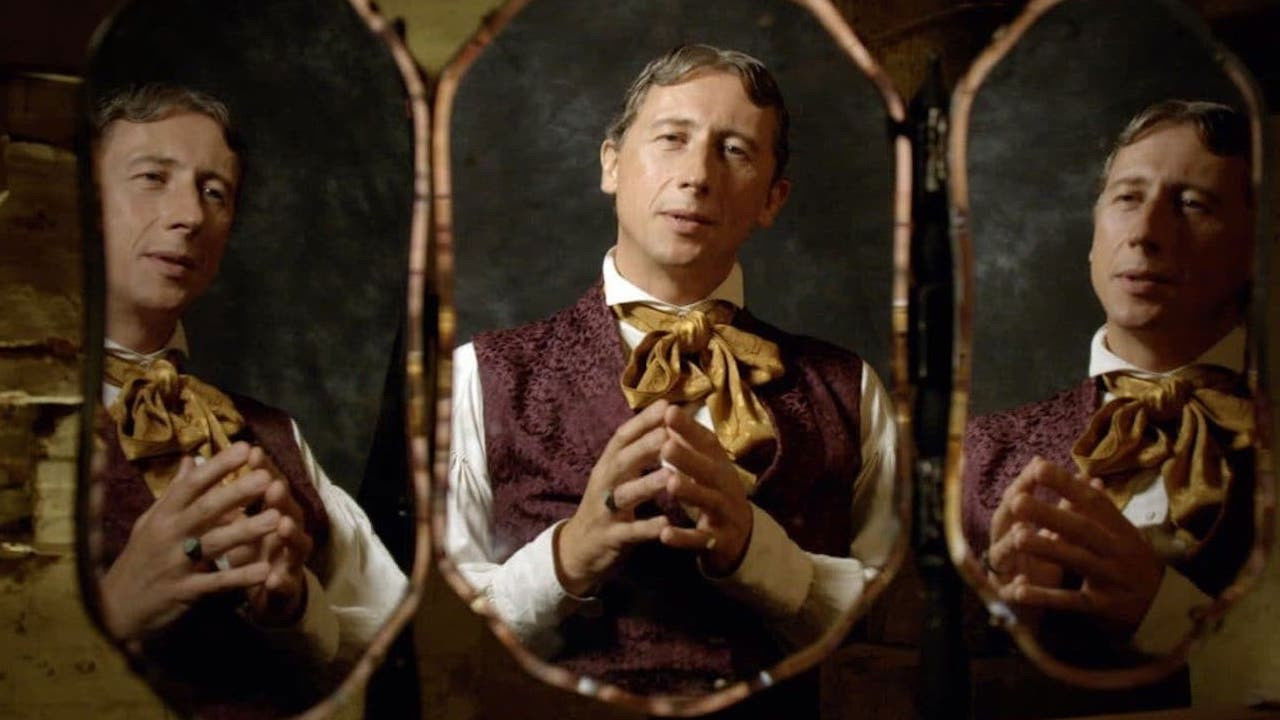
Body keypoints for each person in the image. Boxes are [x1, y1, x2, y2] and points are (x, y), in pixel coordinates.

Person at [446, 44, 899, 699]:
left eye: (734, 150)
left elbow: (892, 630)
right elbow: (442, 637)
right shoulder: (481, 377)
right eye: (672, 138)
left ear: (772, 199)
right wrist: (568, 556)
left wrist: (760, 556)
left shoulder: (850, 391)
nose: (697, 175)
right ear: (611, 164)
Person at [90, 83, 407, 717]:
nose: (190, 215)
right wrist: (112, 611)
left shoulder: (275, 435)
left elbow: (395, 647)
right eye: (152, 177)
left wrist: (297, 609)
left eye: (215, 193)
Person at [962, 100, 1256, 661]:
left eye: (1192, 204)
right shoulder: (984, 452)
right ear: (1094, 239)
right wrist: (1011, 617)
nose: (1145, 233)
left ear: (1255, 247)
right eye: (1128, 198)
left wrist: (1164, 613)